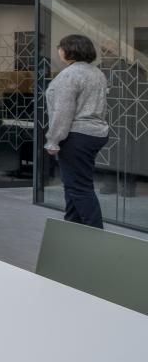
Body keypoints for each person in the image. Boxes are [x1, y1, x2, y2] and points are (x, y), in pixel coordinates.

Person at [44, 34, 110, 228]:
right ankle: (72, 229)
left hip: (77, 135)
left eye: (60, 47)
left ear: (68, 51)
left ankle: (96, 235)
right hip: (95, 133)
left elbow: (63, 112)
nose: (59, 50)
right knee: (73, 186)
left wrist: (53, 140)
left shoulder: (69, 75)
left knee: (79, 188)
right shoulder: (96, 72)